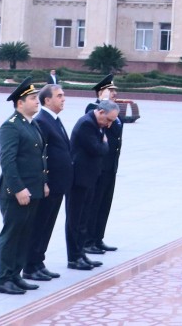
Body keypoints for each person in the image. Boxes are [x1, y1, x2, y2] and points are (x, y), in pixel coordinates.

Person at [0, 78, 48, 295]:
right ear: (19, 103)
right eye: (33, 99)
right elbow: (8, 161)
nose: (37, 102)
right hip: (16, 192)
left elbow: (39, 157)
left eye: (37, 98)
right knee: (12, 235)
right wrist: (18, 189)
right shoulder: (10, 126)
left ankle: (16, 275)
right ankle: (4, 278)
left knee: (25, 234)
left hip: (32, 190)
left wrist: (42, 184)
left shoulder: (30, 123)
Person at [24, 84, 72, 283]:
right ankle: (30, 265)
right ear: (47, 100)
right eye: (59, 96)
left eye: (63, 95)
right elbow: (40, 155)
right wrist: (44, 182)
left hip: (58, 184)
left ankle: (39, 262)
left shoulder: (55, 120)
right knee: (39, 225)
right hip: (48, 184)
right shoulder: (42, 121)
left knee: (47, 225)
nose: (63, 99)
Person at [67, 98, 118, 270]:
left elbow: (103, 148)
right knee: (75, 220)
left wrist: (103, 143)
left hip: (89, 178)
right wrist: (104, 144)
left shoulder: (97, 124)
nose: (109, 124)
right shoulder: (87, 124)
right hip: (79, 179)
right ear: (101, 112)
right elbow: (99, 149)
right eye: (108, 119)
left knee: (84, 219)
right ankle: (74, 258)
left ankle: (81, 254)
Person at [84, 75, 122, 255]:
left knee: (104, 204)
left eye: (115, 91)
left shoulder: (113, 110)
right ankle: (88, 240)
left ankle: (98, 238)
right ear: (101, 92)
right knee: (94, 204)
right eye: (110, 91)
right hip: (98, 168)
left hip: (110, 167)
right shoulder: (93, 109)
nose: (114, 93)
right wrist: (104, 101)